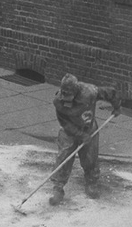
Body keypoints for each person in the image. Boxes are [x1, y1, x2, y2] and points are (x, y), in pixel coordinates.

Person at [49, 73, 122, 205]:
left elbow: (111, 92)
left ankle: (91, 183)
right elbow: (65, 123)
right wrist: (80, 135)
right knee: (63, 157)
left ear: (76, 91)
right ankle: (58, 188)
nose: (65, 98)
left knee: (90, 157)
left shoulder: (90, 92)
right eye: (64, 93)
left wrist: (117, 106)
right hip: (69, 131)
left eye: (68, 94)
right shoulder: (58, 101)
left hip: (88, 128)